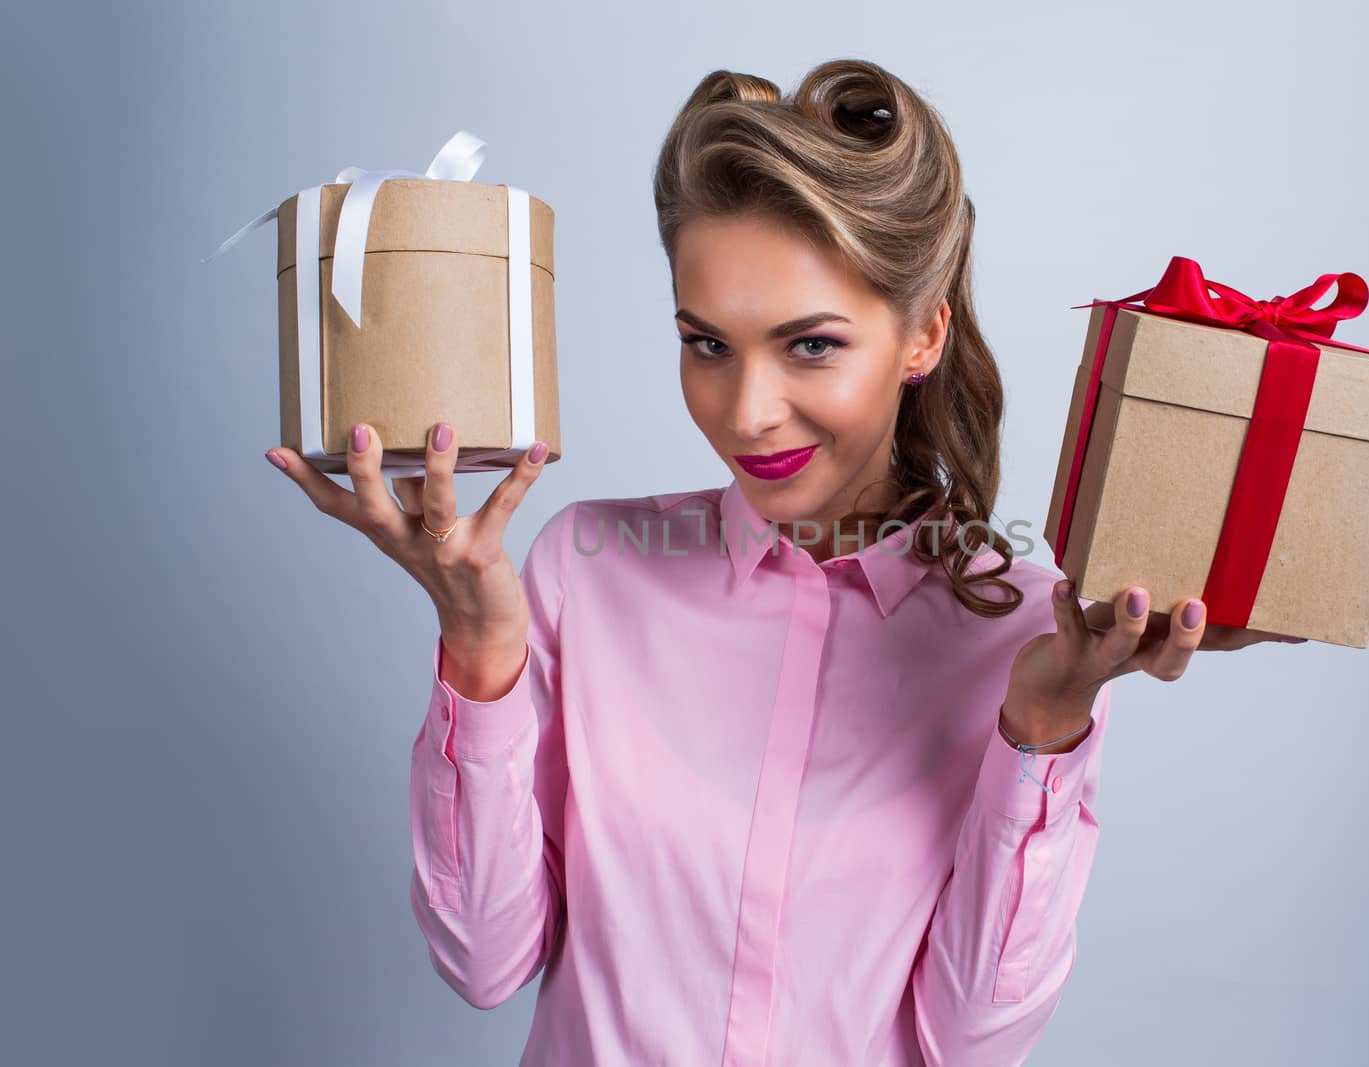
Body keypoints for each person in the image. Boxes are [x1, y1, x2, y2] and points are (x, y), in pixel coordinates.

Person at [265, 58, 1302, 1067]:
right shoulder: (590, 570)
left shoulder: (1037, 636)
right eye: (707, 343)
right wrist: (479, 650)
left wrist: (1041, 730)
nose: (746, 411)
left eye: (810, 344)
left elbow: (974, 1039)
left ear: (922, 334)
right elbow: (483, 961)